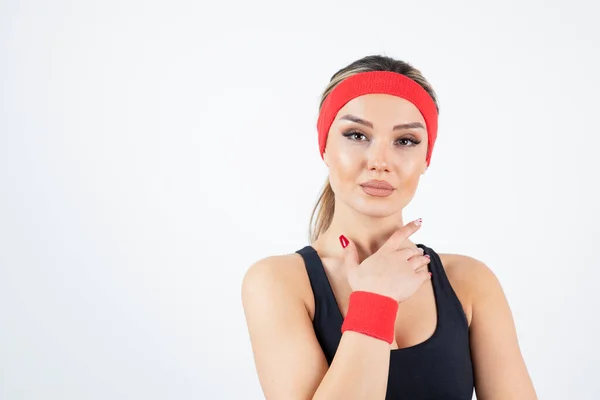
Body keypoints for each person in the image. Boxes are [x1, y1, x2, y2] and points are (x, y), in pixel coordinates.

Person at [241, 55, 537, 399]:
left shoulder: (469, 282)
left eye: (406, 141)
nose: (380, 162)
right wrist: (374, 301)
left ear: (427, 158)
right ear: (324, 147)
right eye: (356, 134)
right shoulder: (277, 282)